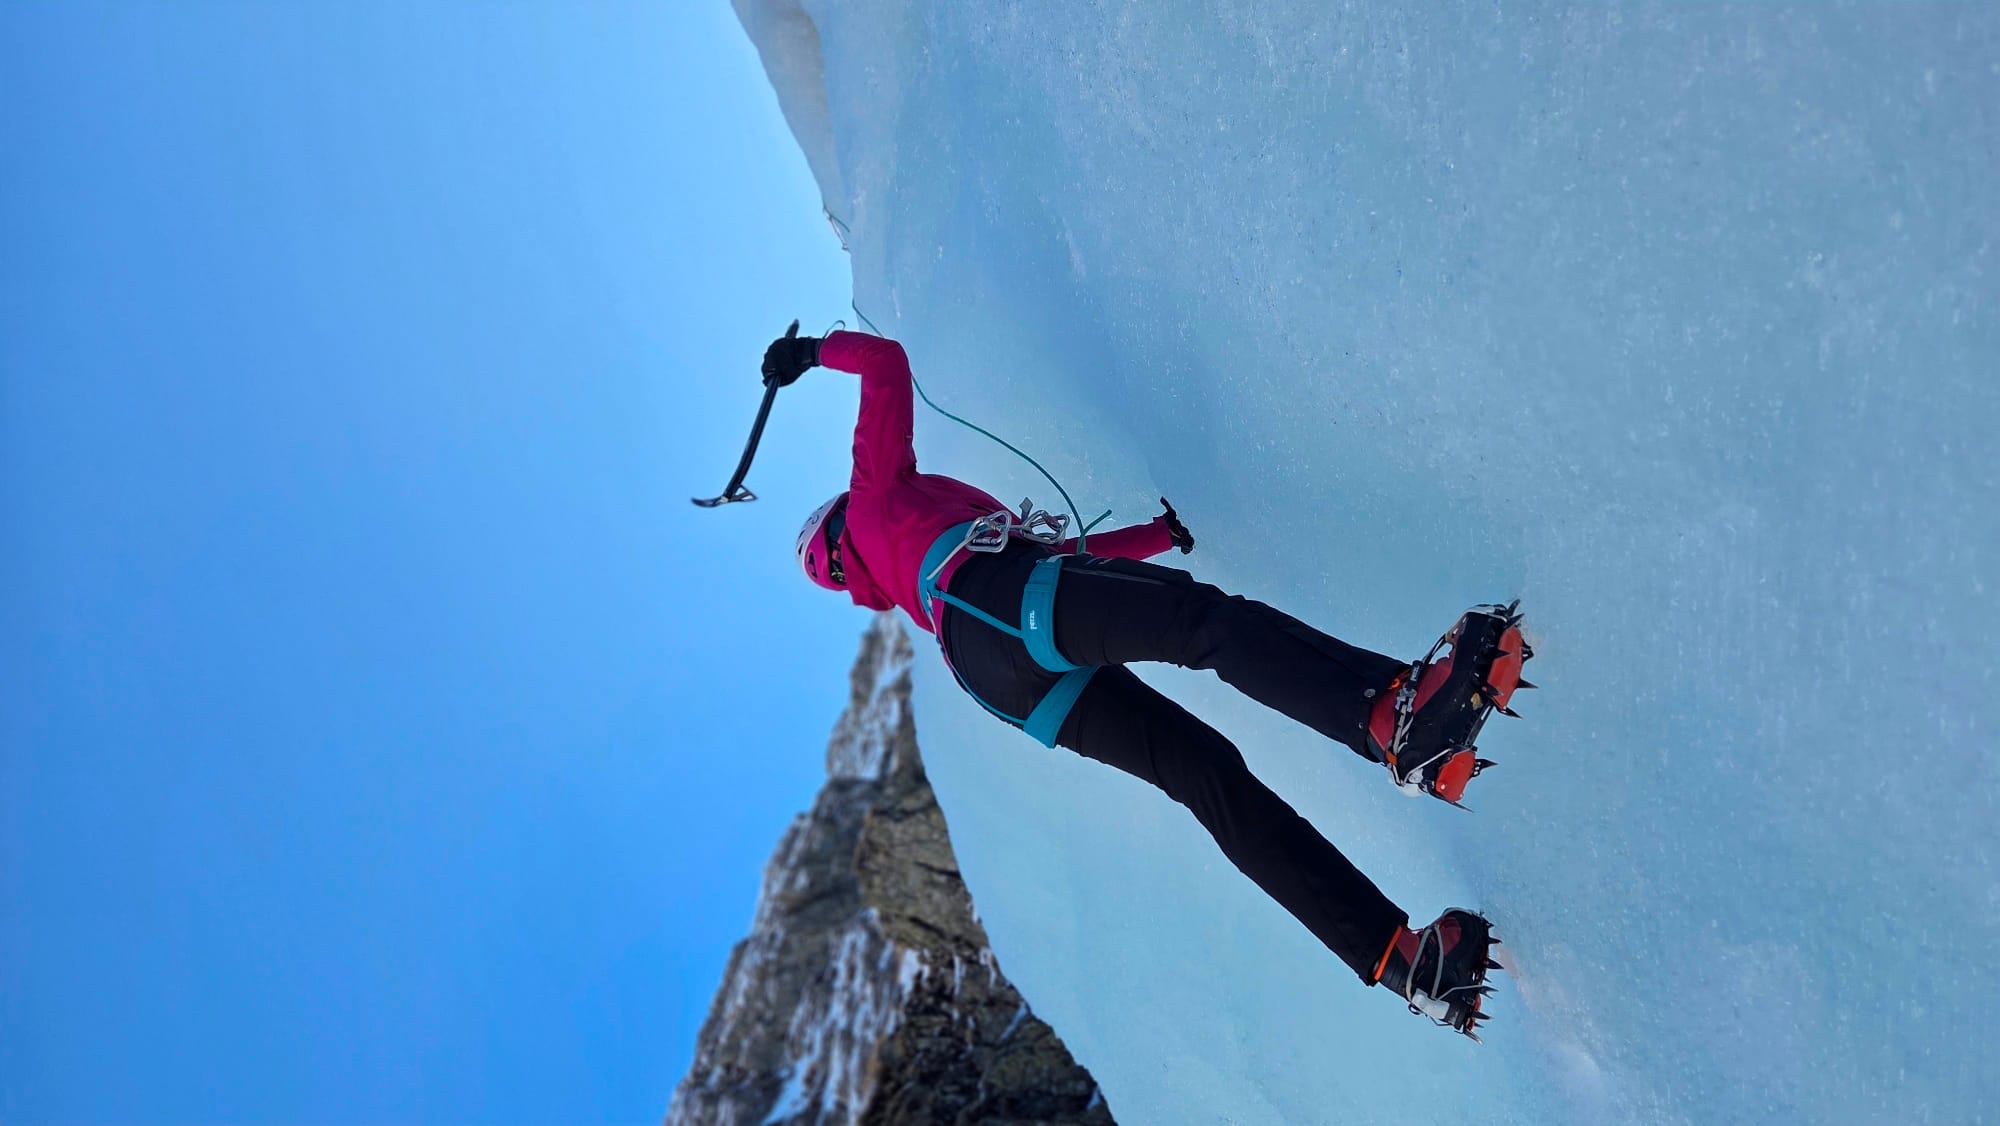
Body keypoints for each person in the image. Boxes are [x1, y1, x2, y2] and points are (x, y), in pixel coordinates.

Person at [762, 326, 1530, 1038]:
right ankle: (1395, 720)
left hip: (1006, 677)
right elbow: (887, 363)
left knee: (1205, 776)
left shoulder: (906, 588)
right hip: (1001, 599)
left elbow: (1075, 562)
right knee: (1206, 626)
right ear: (839, 528)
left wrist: (1160, 537)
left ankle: (1408, 964)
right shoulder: (874, 502)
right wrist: (812, 354)